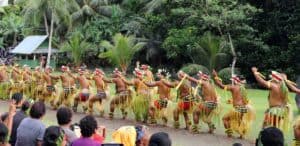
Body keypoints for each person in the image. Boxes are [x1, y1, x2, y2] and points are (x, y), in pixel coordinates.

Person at [213, 70, 255, 138]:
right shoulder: (243, 88)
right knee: (239, 122)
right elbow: (242, 100)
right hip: (244, 109)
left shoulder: (234, 87)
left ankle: (229, 134)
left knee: (225, 119)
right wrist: (232, 101)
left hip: (237, 109)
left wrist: (215, 76)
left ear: (235, 81)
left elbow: (221, 86)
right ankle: (242, 135)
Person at [252, 67, 292, 134]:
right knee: (274, 127)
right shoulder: (284, 88)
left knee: (266, 127)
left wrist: (255, 73)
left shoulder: (274, 86)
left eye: (272, 77)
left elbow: (261, 81)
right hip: (282, 111)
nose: (271, 78)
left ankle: (264, 140)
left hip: (275, 111)